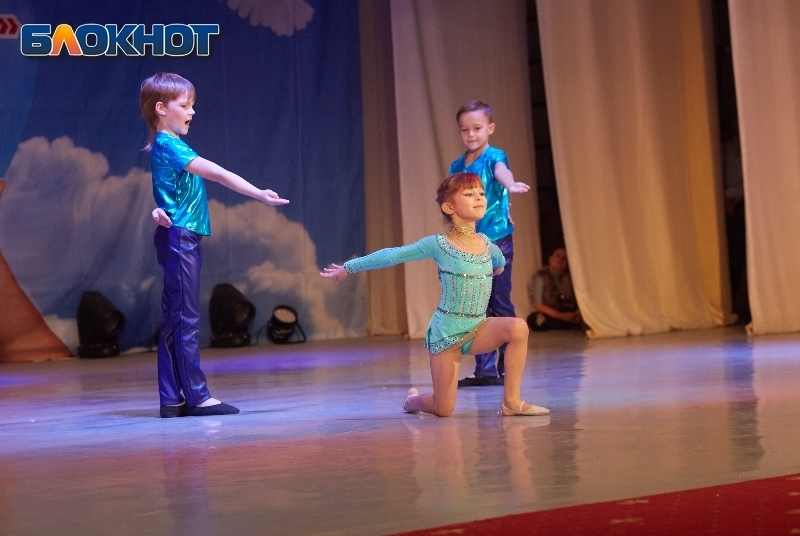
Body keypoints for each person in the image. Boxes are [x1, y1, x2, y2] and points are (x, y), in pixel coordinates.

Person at [321, 172, 549, 418]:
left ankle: (511, 402)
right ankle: (412, 401)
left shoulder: (487, 243)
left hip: (479, 329)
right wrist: (349, 267)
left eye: (481, 193)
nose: (479, 197)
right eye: (469, 194)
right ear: (449, 207)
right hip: (447, 334)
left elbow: (500, 261)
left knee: (518, 328)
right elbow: (393, 254)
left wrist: (498, 264)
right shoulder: (438, 244)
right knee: (443, 409)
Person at [140, 72, 289, 418]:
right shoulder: (170, 144)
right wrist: (258, 193)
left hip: (177, 234)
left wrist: (159, 209)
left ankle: (172, 397)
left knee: (175, 318)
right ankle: (197, 396)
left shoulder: (166, 146)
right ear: (161, 108)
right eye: (185, 105)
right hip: (180, 237)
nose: (192, 112)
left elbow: (167, 190)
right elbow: (218, 173)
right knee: (185, 317)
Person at [449, 100, 530, 387]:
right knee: (476, 306)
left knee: (500, 302)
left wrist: (510, 185)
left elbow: (501, 171)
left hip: (496, 242)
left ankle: (509, 365)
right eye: (465, 130)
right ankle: (484, 370)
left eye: (477, 128)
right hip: (470, 245)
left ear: (490, 128)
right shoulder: (457, 166)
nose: (471, 134)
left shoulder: (495, 156)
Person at [527, 247, 583, 331]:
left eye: (564, 258)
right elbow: (538, 305)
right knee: (533, 319)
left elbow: (581, 299)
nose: (561, 260)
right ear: (550, 259)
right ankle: (566, 323)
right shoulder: (540, 277)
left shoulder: (570, 278)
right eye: (558, 256)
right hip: (550, 313)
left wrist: (577, 312)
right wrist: (562, 316)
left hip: (567, 310)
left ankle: (568, 322)